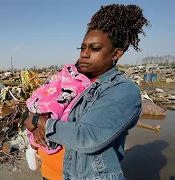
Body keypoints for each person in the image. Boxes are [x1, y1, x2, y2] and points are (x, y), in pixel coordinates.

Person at [25, 4, 150, 180]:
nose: (84, 54)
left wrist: (40, 121)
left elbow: (87, 137)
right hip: (49, 175)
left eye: (95, 48)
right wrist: (33, 119)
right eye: (82, 48)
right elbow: (37, 102)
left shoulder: (122, 90)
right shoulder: (69, 79)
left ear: (116, 54)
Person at [25, 64, 92, 171]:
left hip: (74, 170)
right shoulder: (62, 78)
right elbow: (44, 93)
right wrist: (36, 118)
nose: (85, 54)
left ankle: (33, 149)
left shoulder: (105, 89)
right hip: (51, 170)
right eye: (82, 48)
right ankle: (32, 149)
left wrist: (37, 120)